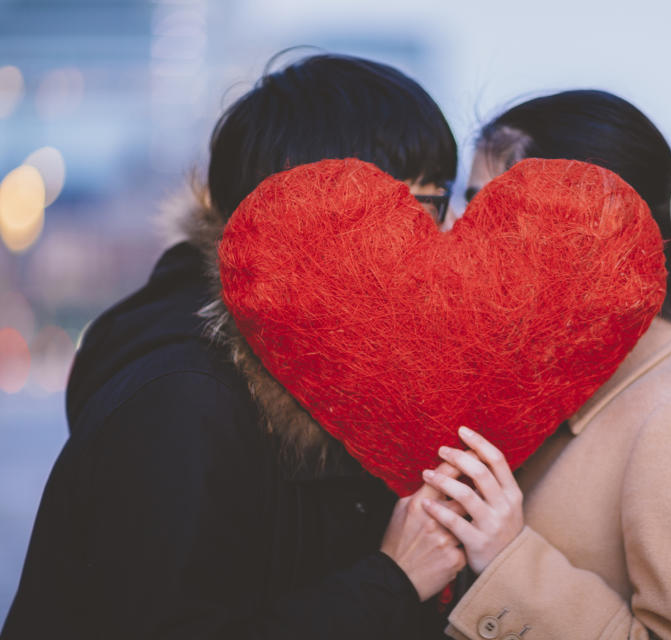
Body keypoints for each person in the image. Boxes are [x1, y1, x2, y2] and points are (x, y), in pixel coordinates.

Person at [1, 53, 465, 639]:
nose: (444, 236)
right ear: (321, 208)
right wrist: (392, 579)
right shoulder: (185, 397)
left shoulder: (327, 366)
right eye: (424, 204)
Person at [418, 90, 671, 639]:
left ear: (591, 221)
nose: (460, 235)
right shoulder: (572, 381)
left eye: (489, 206)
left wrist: (511, 561)